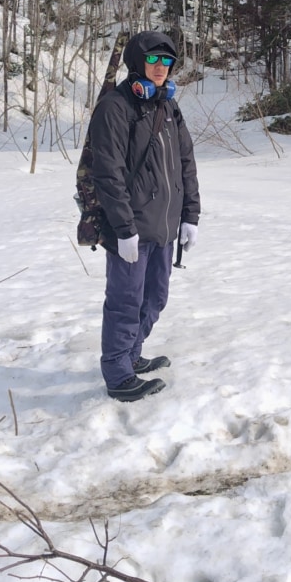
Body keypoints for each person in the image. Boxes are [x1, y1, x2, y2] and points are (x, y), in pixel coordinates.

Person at [86, 30, 201, 402]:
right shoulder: (116, 107)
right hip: (131, 229)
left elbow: (185, 163)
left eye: (167, 61)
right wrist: (123, 229)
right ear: (138, 62)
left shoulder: (169, 106)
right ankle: (118, 374)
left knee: (155, 297)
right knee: (125, 302)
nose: (160, 67)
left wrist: (190, 215)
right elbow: (108, 173)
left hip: (164, 227)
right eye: (153, 59)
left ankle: (131, 355)